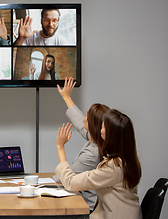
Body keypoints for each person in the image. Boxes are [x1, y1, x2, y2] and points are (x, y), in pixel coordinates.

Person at [55, 109, 142, 219]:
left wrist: (60, 147)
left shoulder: (113, 166)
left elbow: (71, 182)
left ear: (110, 134)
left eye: (103, 126)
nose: (101, 129)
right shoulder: (129, 160)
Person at [53, 77, 109, 211]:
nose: (83, 117)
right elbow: (80, 123)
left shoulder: (92, 152)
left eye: (86, 116)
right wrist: (66, 97)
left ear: (92, 125)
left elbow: (67, 178)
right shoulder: (99, 140)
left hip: (88, 207)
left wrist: (60, 146)